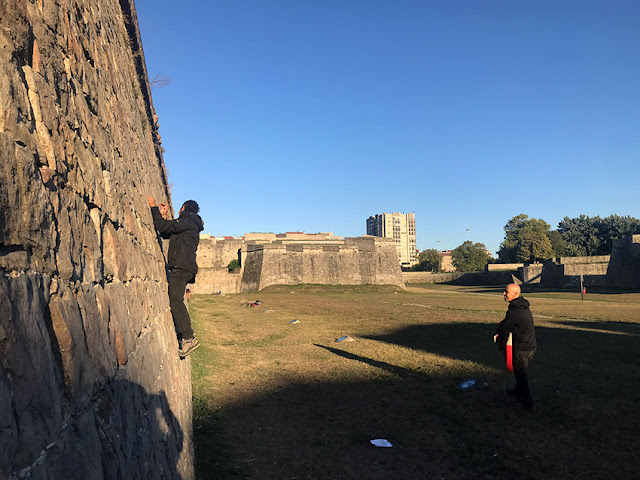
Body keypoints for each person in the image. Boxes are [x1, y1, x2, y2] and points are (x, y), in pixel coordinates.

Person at [148, 195, 204, 357]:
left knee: (175, 301)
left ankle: (188, 338)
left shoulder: (187, 220)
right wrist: (164, 215)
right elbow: (167, 233)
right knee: (178, 301)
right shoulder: (191, 225)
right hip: (186, 267)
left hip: (181, 267)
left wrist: (153, 207)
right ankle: (184, 332)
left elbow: (162, 227)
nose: (179, 211)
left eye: (180, 209)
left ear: (184, 208)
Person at [494, 283, 537, 410]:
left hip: (522, 348)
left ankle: (527, 403)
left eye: (506, 292)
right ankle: (518, 392)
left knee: (520, 374)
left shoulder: (515, 311)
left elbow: (504, 327)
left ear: (515, 294)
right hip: (529, 345)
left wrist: (498, 337)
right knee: (520, 372)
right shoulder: (521, 307)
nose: (504, 294)